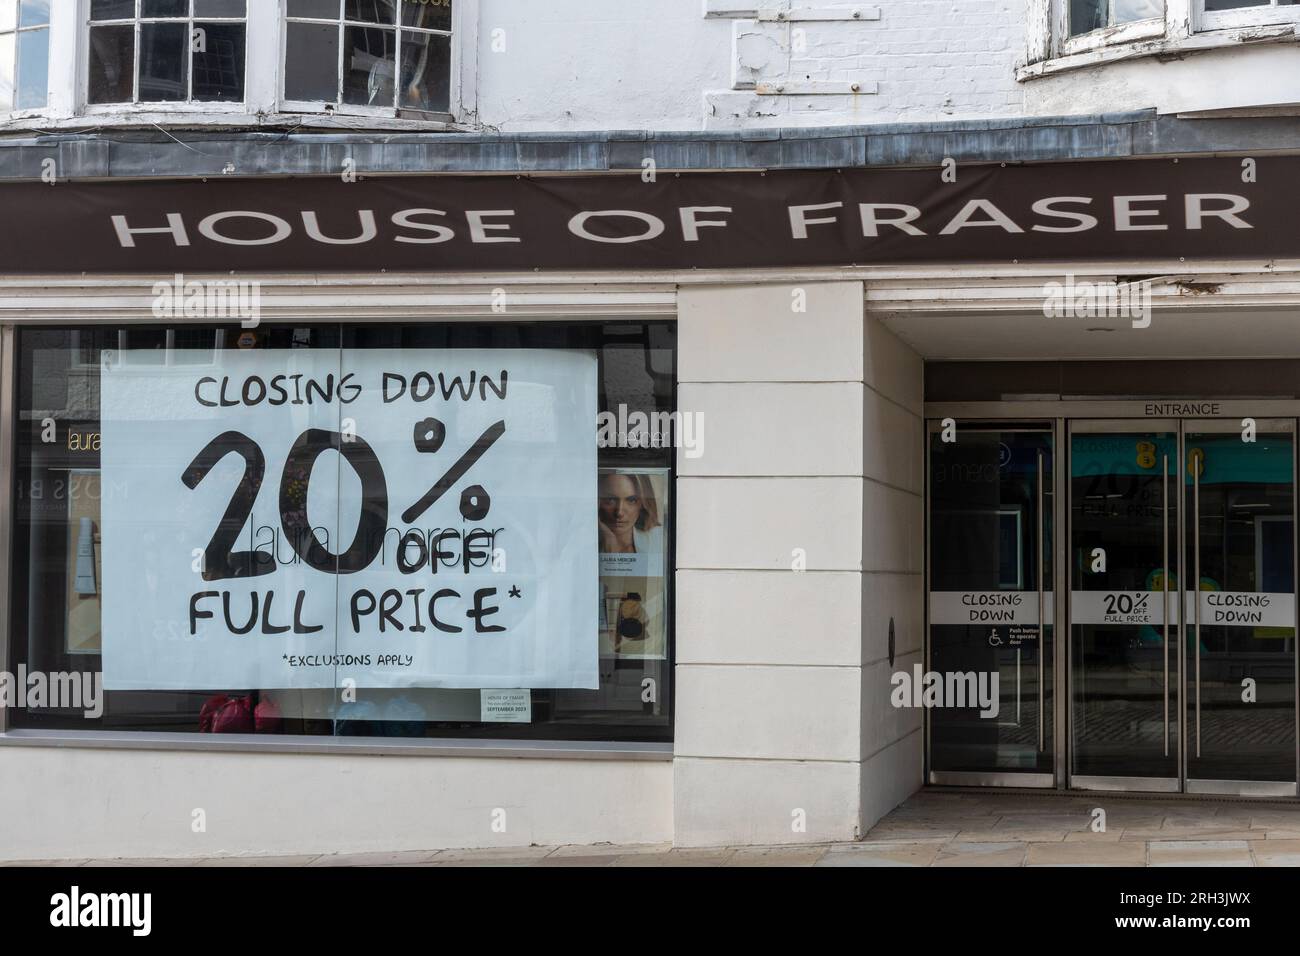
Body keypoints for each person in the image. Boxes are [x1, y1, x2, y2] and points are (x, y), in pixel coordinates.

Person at [598, 472, 664, 554]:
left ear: (642, 505)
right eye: (610, 500)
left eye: (631, 500)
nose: (619, 512)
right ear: (598, 503)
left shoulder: (658, 540)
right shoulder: (584, 544)